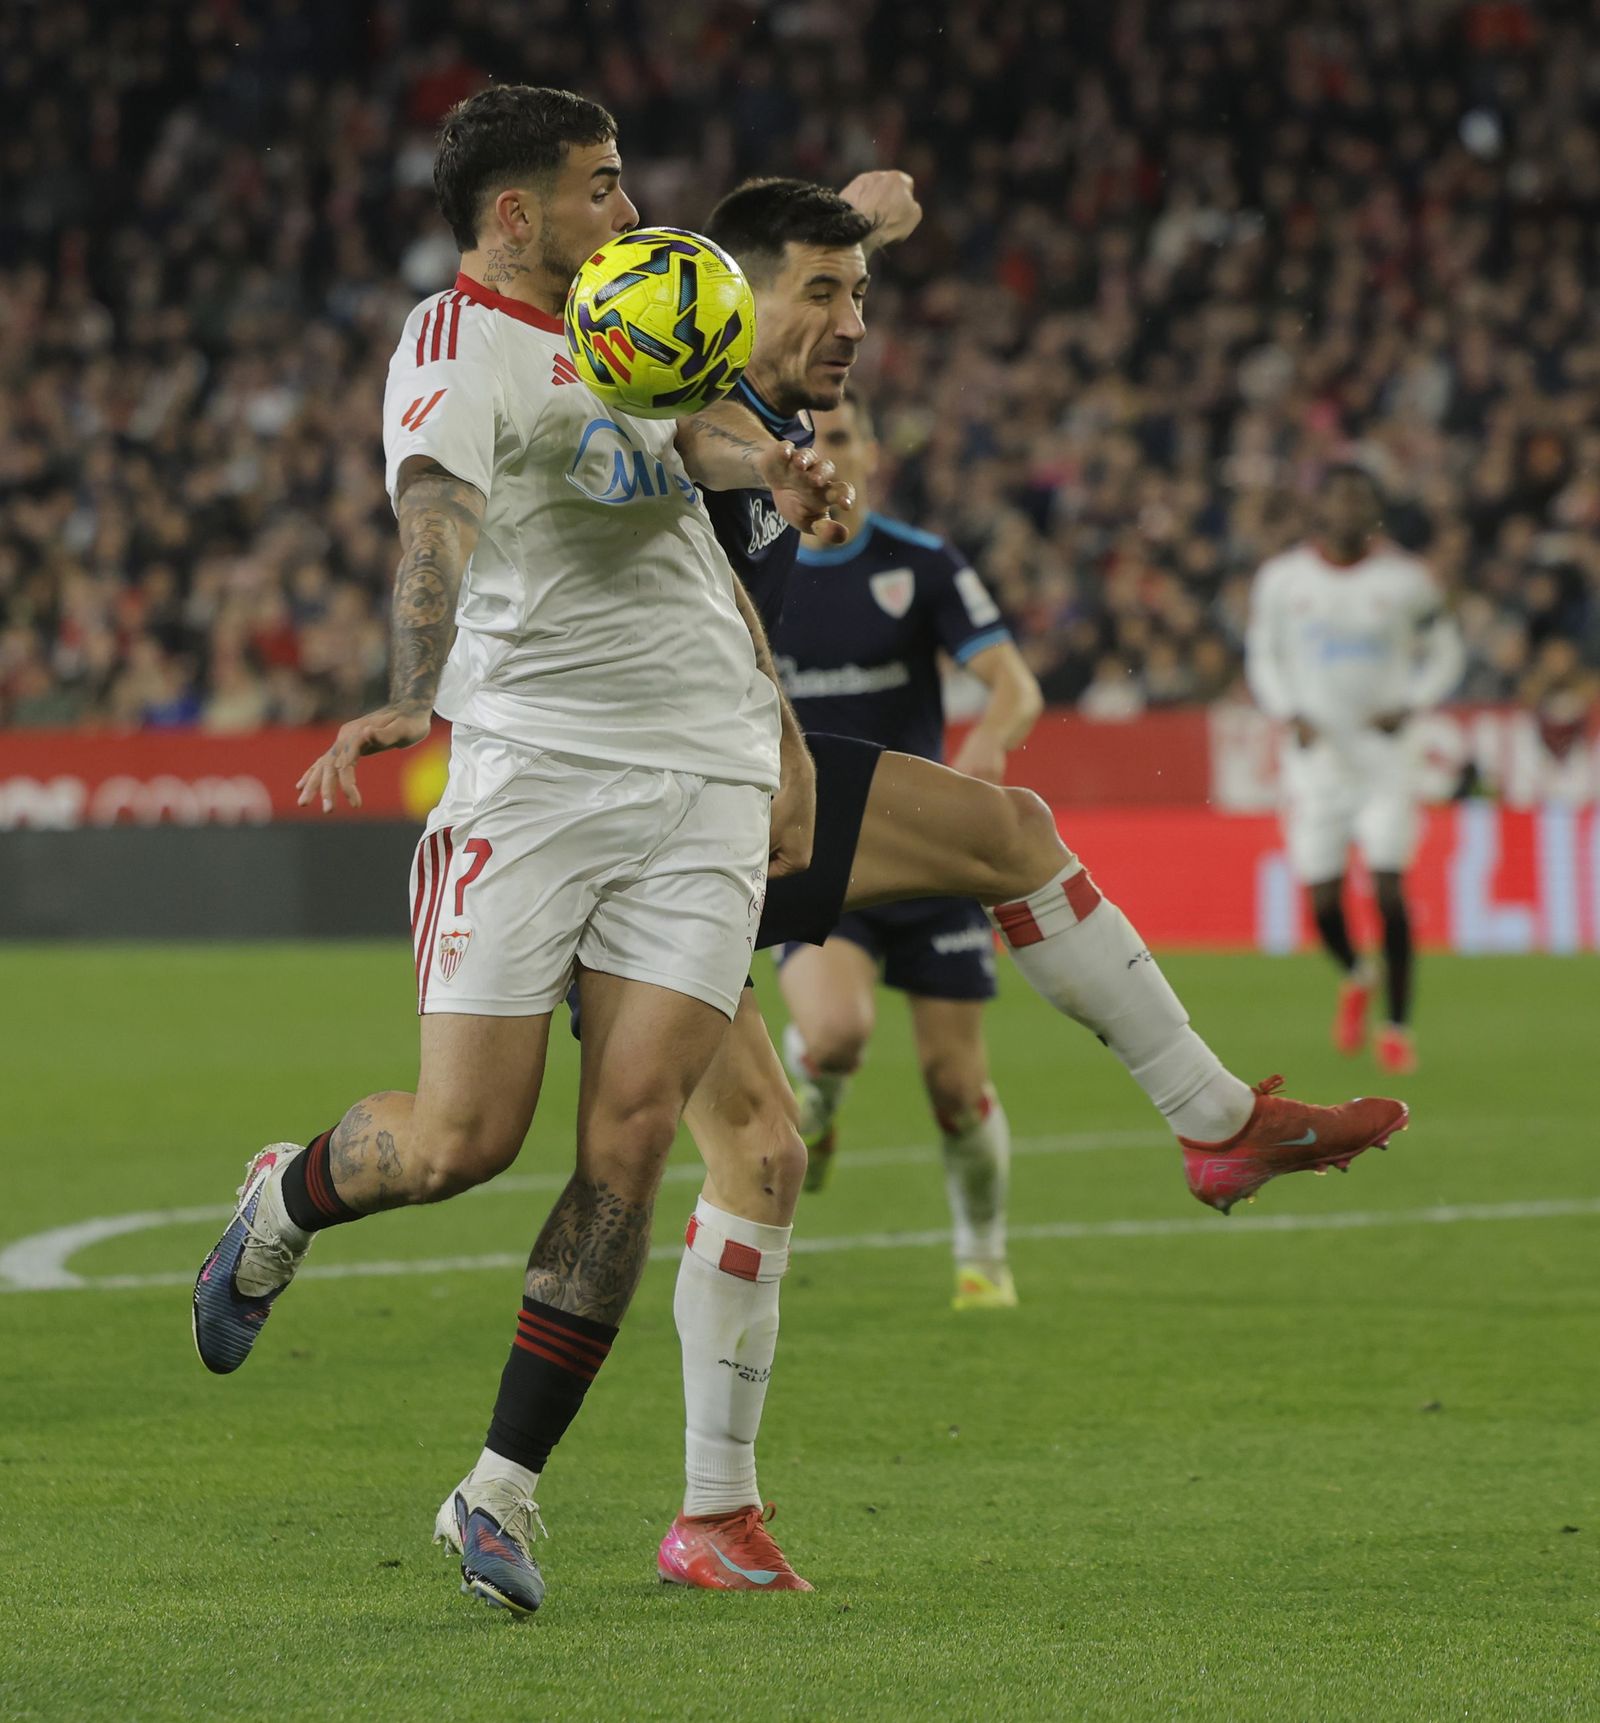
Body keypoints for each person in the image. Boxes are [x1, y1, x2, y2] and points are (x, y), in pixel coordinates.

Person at [452, 177, 1408, 1598]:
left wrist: (860, 221)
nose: (854, 323)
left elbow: (771, 284)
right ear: (731, 291)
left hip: (711, 803)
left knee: (776, 1135)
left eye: (864, 296)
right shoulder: (667, 419)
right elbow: (675, 593)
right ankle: (1216, 1121)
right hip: (636, 823)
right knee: (695, 1125)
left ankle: (705, 1517)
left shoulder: (768, 408)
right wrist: (777, 737)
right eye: (825, 295)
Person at [189, 87, 850, 1618]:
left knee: (628, 1142)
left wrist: (784, 471)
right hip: (534, 779)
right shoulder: (454, 349)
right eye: (603, 187)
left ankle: (499, 1489)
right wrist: (413, 691)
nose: (629, 209)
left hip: (698, 773)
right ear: (514, 215)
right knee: (456, 1143)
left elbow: (699, 433)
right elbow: (437, 520)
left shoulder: (632, 316)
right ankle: (286, 1195)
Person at [772, 390, 1044, 1311]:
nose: (828, 453)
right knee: (840, 1031)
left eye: (843, 435)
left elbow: (1014, 683)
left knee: (955, 1084)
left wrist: (988, 741)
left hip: (927, 856)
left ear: (874, 454)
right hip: (820, 856)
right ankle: (825, 1087)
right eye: (810, 439)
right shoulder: (752, 571)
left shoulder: (921, 566)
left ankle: (983, 1257)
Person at [1246, 465, 1465, 1074]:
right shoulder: (1283, 580)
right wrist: (1288, 711)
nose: (1347, 511)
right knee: (1320, 902)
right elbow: (1263, 654)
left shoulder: (1406, 582)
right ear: (1319, 510)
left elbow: (1447, 650)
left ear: (1373, 510)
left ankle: (1396, 1028)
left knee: (1391, 891)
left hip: (1387, 759)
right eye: (1337, 499)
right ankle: (1356, 973)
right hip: (1318, 762)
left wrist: (1413, 702)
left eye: (1359, 501)